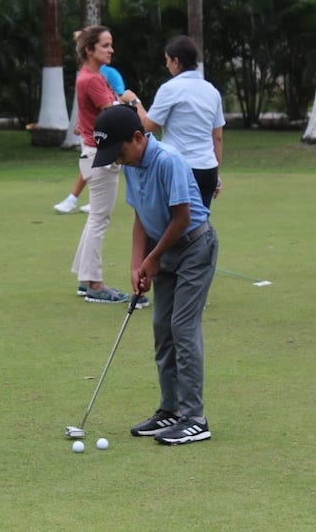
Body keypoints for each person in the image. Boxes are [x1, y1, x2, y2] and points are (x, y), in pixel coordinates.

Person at [92, 105, 218, 445]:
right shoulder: (132, 165)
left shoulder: (168, 160)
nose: (117, 161)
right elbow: (140, 216)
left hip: (194, 246)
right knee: (162, 327)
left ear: (137, 137)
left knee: (182, 326)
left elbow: (181, 217)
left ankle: (195, 417)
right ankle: (171, 410)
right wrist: (137, 263)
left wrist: (153, 257)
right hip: (164, 249)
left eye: (118, 152)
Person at [68, 26, 146, 307]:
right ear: (90, 49)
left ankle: (85, 278)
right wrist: (133, 101)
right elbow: (114, 115)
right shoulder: (91, 79)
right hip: (100, 155)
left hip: (92, 151)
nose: (111, 50)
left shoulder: (90, 77)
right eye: (105, 45)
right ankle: (95, 283)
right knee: (99, 219)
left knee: (96, 218)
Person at [137, 35, 225, 208]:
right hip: (208, 169)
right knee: (200, 225)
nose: (166, 65)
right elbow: (218, 137)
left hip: (179, 168)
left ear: (176, 61)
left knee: (175, 225)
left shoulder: (170, 89)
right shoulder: (212, 91)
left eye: (168, 60)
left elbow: (148, 126)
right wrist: (216, 174)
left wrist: (135, 103)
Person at [54, 63, 126, 215]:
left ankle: (73, 199)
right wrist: (80, 121)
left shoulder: (108, 73)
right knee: (92, 167)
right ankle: (81, 200)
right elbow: (85, 104)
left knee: (94, 166)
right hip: (90, 133)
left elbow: (120, 96)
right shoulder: (85, 75)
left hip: (105, 135)